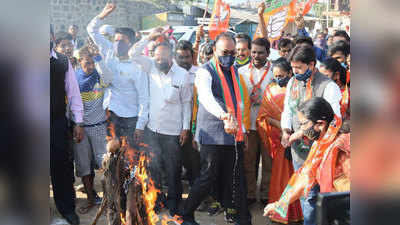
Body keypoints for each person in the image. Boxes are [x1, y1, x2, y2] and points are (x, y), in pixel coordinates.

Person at [178, 32, 252, 225]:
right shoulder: (205, 71)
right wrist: (224, 116)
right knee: (207, 177)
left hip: (233, 133)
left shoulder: (234, 71)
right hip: (212, 133)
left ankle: (242, 217)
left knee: (235, 177)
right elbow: (206, 98)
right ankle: (185, 213)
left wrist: (242, 130)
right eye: (224, 52)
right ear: (214, 51)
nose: (229, 56)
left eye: (232, 52)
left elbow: (239, 103)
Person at [280, 46, 342, 225]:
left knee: (316, 196)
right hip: (298, 151)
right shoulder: (292, 82)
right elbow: (288, 110)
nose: (294, 72)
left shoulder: (328, 86)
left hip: (321, 152)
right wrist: (286, 130)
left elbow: (332, 121)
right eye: (292, 68)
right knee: (304, 192)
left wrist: (301, 132)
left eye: (298, 68)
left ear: (312, 64)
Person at [264, 97, 350, 225]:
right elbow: (305, 177)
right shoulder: (320, 143)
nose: (301, 129)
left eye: (304, 124)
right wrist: (280, 204)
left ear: (320, 124)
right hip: (335, 207)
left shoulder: (342, 145)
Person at [141, 41, 193, 217]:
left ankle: (174, 203)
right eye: (156, 57)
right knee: (153, 169)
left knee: (173, 170)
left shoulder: (182, 75)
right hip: (152, 130)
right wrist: (151, 38)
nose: (159, 60)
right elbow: (134, 54)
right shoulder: (151, 69)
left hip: (172, 132)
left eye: (163, 57)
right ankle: (156, 200)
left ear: (171, 57)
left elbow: (187, 103)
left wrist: (186, 128)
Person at [87, 3, 149, 147]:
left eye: (122, 41)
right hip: (111, 114)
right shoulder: (109, 50)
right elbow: (91, 30)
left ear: (131, 44)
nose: (117, 44)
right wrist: (102, 15)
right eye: (115, 40)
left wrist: (140, 125)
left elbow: (144, 98)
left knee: (130, 157)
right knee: (111, 154)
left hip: (131, 118)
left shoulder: (138, 67)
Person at [256, 58, 303, 224]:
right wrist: (283, 127)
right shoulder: (269, 89)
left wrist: (292, 130)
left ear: (290, 73)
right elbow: (263, 116)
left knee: (297, 176)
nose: (278, 78)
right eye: (275, 75)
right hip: (279, 139)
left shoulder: (299, 89)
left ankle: (297, 213)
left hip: (298, 139)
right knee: (279, 176)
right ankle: (280, 211)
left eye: (281, 75)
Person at [50, 35, 84, 225]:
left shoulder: (62, 62)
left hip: (55, 123)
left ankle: (66, 208)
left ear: (51, 37)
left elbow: (74, 94)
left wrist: (78, 122)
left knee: (61, 167)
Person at [238, 37, 274, 206]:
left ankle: (266, 194)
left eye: (260, 52)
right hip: (249, 124)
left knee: (268, 162)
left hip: (269, 126)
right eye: (253, 52)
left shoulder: (275, 71)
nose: (256, 55)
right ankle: (250, 194)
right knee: (248, 162)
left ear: (268, 52)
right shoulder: (241, 71)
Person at [73, 48, 108, 214]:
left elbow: (109, 77)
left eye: (93, 63)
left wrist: (99, 58)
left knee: (105, 164)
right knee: (84, 166)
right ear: (80, 62)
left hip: (99, 127)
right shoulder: (73, 77)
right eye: (87, 63)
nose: (91, 66)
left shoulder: (100, 75)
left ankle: (109, 199)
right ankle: (90, 199)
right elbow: (71, 103)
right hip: (80, 128)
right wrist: (76, 124)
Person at [174, 40, 201, 186]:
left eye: (187, 57)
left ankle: (195, 186)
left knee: (194, 157)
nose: (184, 61)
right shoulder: (172, 73)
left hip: (194, 121)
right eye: (180, 57)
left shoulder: (200, 73)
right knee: (178, 157)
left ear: (192, 56)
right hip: (174, 121)